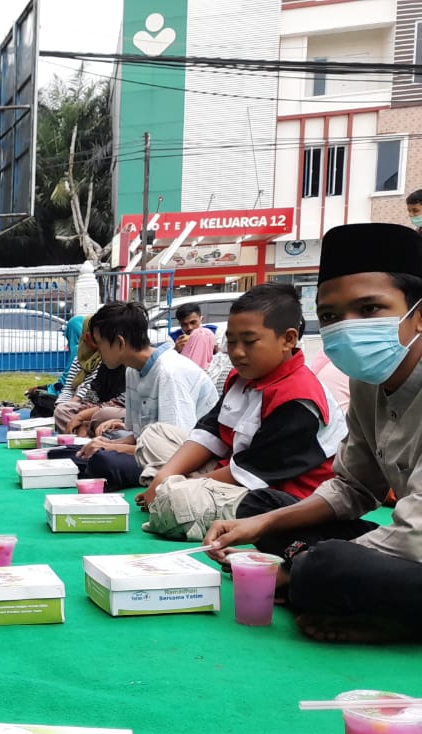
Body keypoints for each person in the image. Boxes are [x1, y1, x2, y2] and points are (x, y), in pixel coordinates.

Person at [204, 222, 422, 644]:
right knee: (261, 509)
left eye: (370, 309)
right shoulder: (367, 381)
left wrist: (289, 570)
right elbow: (352, 489)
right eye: (330, 316)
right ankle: (337, 596)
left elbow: (415, 536)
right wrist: (263, 524)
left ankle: (317, 585)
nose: (347, 327)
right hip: (405, 551)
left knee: (324, 568)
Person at [137, 284, 347, 540]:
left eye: (249, 342)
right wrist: (165, 476)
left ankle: (177, 494)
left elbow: (251, 473)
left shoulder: (299, 398)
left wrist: (181, 485)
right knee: (155, 436)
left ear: (288, 339)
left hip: (278, 496)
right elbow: (209, 432)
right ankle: (173, 488)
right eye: (231, 341)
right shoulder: (241, 377)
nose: (236, 352)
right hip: (233, 469)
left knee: (180, 500)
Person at [66, 300, 218, 491]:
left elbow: (174, 451)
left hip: (185, 462)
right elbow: (138, 436)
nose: (98, 351)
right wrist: (107, 443)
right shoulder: (132, 370)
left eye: (100, 344)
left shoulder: (169, 372)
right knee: (73, 454)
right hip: (153, 451)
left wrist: (112, 448)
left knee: (103, 461)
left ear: (119, 342)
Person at [54, 314, 127, 434]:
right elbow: (91, 393)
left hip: (116, 413)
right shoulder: (103, 360)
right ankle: (80, 440)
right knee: (63, 410)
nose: (99, 349)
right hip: (98, 407)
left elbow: (119, 402)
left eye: (100, 343)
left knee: (103, 414)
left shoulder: (132, 367)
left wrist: (83, 417)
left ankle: (89, 440)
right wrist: (83, 416)